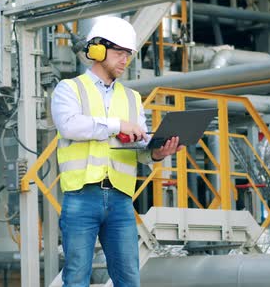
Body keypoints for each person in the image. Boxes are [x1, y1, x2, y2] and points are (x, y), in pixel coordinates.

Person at [51, 16, 183, 287]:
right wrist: (116, 124)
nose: (125, 60)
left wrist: (157, 153)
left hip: (122, 199)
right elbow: (70, 126)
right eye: (119, 52)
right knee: (76, 277)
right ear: (97, 50)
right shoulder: (69, 89)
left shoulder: (132, 98)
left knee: (129, 278)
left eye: (128, 54)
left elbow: (139, 150)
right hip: (81, 196)